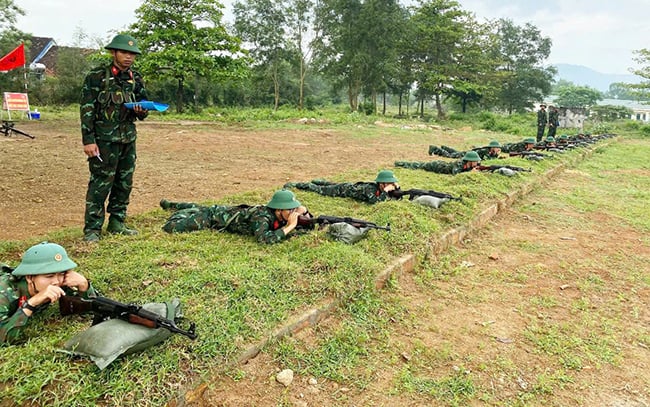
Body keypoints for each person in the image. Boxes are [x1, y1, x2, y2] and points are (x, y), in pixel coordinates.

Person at [80, 34, 149, 242]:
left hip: (128, 139)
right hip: (103, 140)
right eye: (124, 52)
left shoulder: (135, 78)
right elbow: (87, 108)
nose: (129, 57)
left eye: (132, 54)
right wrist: (88, 140)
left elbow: (144, 106)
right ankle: (92, 229)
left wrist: (141, 110)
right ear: (114, 53)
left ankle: (117, 222)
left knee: (124, 182)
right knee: (100, 183)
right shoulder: (96, 77)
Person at [1, 242, 97, 344]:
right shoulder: (4, 293)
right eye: (49, 276)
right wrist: (30, 304)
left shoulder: (60, 282)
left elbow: (92, 310)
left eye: (61, 273)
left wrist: (84, 286)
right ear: (29, 277)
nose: (57, 281)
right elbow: (4, 339)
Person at [160, 190, 312, 244]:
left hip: (224, 210)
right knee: (172, 227)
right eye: (289, 209)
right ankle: (175, 210)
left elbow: (308, 225)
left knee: (197, 207)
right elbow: (264, 239)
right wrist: (290, 226)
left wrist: (304, 212)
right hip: (214, 218)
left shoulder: (280, 216)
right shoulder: (262, 217)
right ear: (278, 209)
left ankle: (170, 204)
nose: (293, 212)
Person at [283, 170, 399, 204]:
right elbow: (375, 201)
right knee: (319, 189)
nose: (391, 186)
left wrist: (397, 189)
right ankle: (297, 184)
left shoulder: (379, 188)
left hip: (348, 186)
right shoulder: (370, 189)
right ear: (381, 183)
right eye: (389, 184)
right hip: (342, 190)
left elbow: (395, 197)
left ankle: (319, 181)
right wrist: (385, 191)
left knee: (329, 184)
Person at [394, 151, 482, 175]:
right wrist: (471, 172)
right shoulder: (459, 164)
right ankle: (400, 164)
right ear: (469, 161)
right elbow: (455, 173)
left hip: (442, 164)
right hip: (437, 166)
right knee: (418, 165)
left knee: (419, 165)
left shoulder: (469, 166)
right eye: (475, 161)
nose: (476, 163)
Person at [428, 140, 503, 160]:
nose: (498, 149)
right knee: (450, 156)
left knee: (456, 152)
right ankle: (435, 149)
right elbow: (487, 159)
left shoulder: (490, 151)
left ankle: (444, 148)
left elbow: (492, 157)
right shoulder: (485, 151)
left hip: (468, 153)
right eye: (497, 148)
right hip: (466, 155)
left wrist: (497, 156)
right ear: (493, 147)